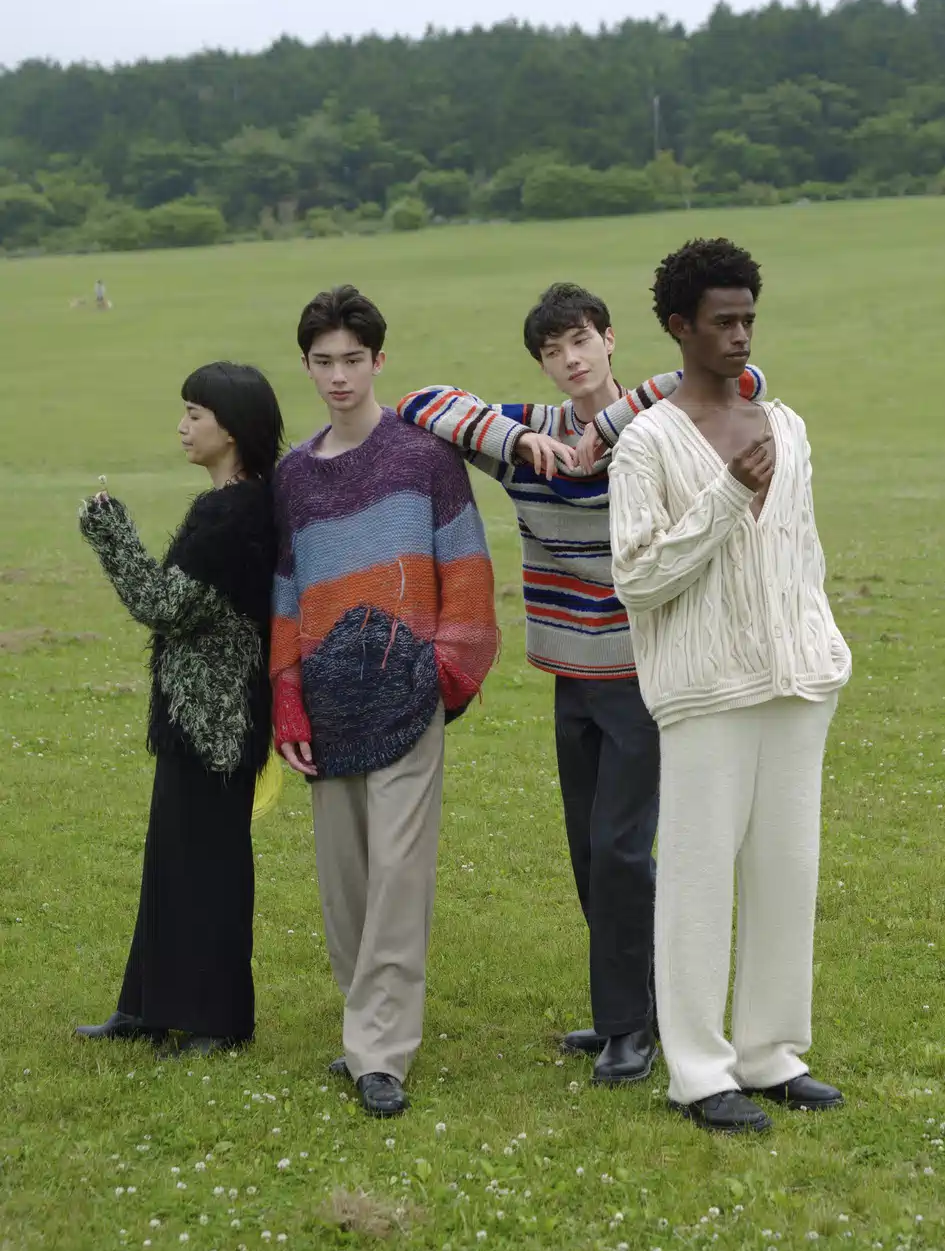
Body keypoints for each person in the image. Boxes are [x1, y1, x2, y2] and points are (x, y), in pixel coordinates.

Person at [398, 284, 767, 1086]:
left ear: (609, 339)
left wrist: (605, 428)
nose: (570, 359)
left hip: (645, 670)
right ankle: (634, 1006)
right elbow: (418, 404)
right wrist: (520, 440)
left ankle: (629, 1031)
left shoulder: (661, 423)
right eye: (552, 350)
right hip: (571, 672)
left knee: (621, 849)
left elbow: (745, 378)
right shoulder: (530, 436)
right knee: (589, 853)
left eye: (581, 340)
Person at [607, 239, 851, 1133]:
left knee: (787, 871)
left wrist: (820, 645)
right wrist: (722, 498)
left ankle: (771, 1053)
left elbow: (800, 551)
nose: (741, 335)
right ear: (680, 327)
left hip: (798, 680)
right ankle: (700, 1072)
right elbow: (637, 577)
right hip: (706, 690)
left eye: (748, 318)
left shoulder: (787, 426)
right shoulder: (645, 443)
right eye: (722, 321)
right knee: (700, 881)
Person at [272, 285, 498, 1118]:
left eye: (353, 359)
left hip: (409, 694)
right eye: (323, 361)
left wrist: (443, 674)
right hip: (326, 700)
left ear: (378, 360)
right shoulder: (294, 475)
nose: (339, 375)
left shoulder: (422, 456)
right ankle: (363, 1020)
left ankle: (380, 1053)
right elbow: (286, 589)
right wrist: (286, 696)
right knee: (346, 881)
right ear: (306, 366)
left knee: (401, 876)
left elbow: (466, 568)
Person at [76, 362, 283, 1056]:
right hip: (202, 715)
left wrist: (110, 532)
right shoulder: (236, 503)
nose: (183, 427)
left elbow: (164, 604)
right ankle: (146, 1008)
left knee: (208, 865)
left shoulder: (234, 513)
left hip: (216, 719)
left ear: (234, 428)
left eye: (195, 414)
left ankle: (218, 1019)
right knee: (172, 860)